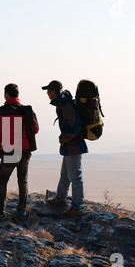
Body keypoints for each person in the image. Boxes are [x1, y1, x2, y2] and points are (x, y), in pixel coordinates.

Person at [0, 83, 39, 220]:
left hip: (10, 150)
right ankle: (21, 210)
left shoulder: (1, 111)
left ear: (7, 94)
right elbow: (35, 129)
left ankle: (0, 212)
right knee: (23, 180)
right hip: (26, 150)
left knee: (2, 182)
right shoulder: (27, 110)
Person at [42, 80, 87, 217]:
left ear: (54, 91)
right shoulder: (62, 103)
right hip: (70, 145)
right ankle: (61, 199)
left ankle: (78, 207)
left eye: (48, 91)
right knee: (65, 174)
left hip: (74, 145)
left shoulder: (65, 105)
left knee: (75, 177)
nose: (47, 94)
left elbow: (76, 126)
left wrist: (63, 139)